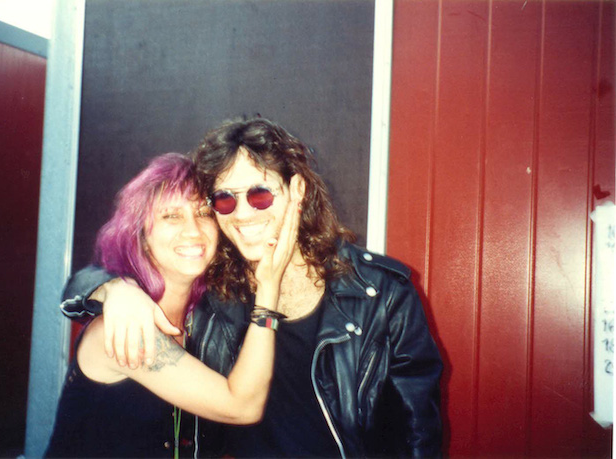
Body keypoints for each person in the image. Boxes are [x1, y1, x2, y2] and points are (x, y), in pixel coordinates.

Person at [61, 118, 443, 457]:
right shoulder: (216, 290)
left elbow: (416, 434)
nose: (243, 213)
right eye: (224, 200)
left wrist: (111, 289)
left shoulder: (380, 293)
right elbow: (111, 271)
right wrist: (113, 288)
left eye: (260, 194)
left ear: (297, 190)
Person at [47, 152, 301, 457]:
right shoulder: (122, 326)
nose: (193, 231)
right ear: (141, 234)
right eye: (172, 216)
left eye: (203, 213)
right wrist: (269, 288)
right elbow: (242, 407)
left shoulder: (209, 318)